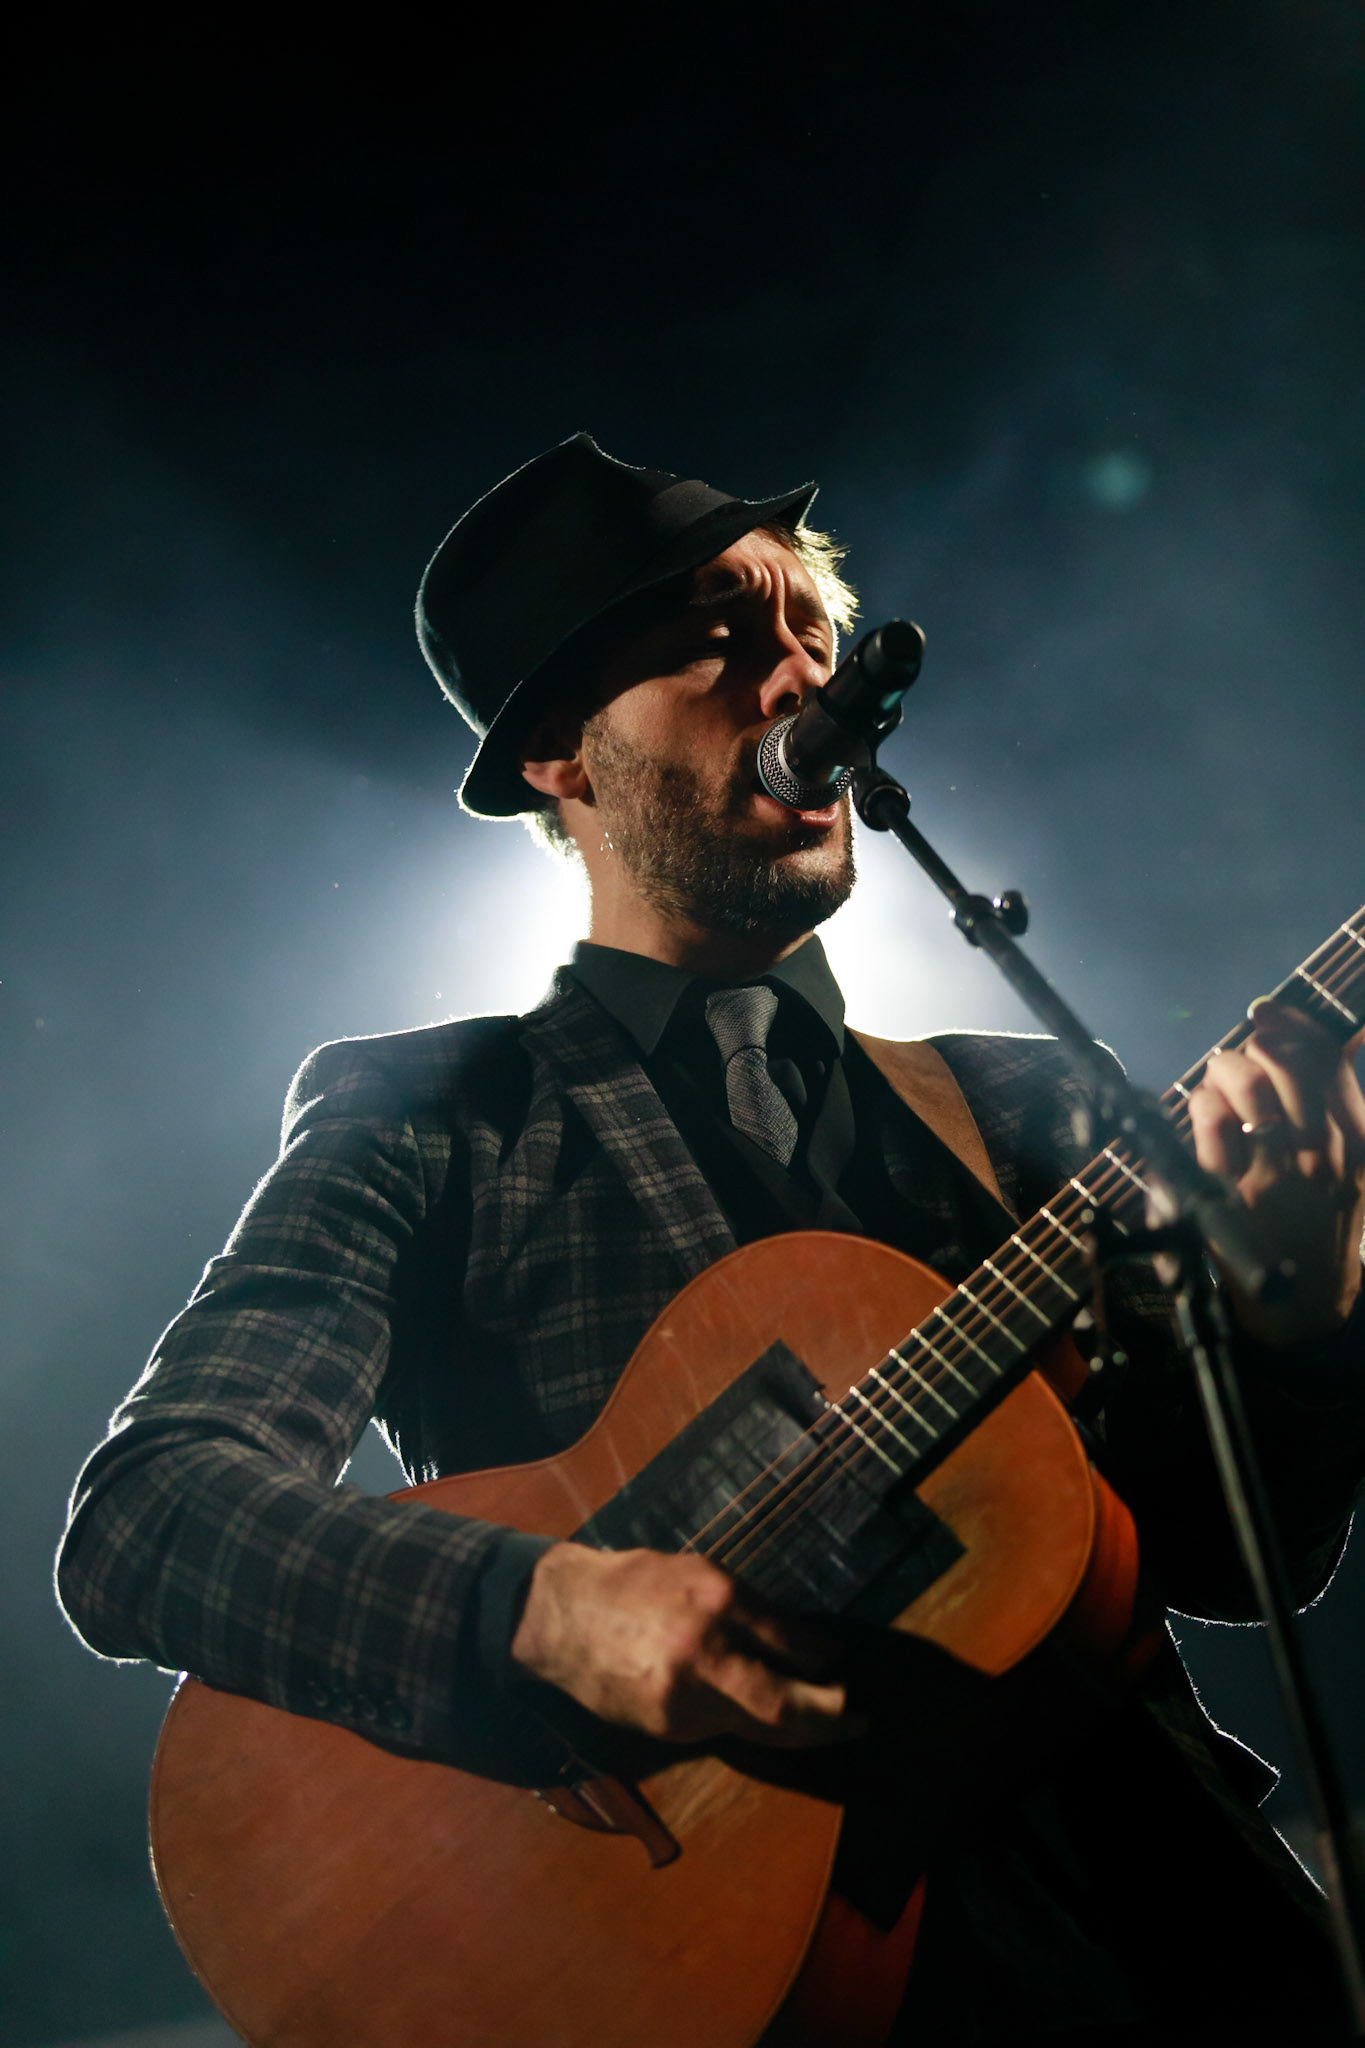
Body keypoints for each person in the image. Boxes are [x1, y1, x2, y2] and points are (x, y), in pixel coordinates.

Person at [58, 435, 1365, 2043]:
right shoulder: (434, 1111)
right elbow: (151, 1517)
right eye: (716, 636)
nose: (795, 672)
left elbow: (1240, 1552)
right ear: (558, 751)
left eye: (803, 627)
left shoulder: (1019, 1105)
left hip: (1163, 1939)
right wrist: (543, 1617)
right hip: (701, 1967)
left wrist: (1296, 1308)